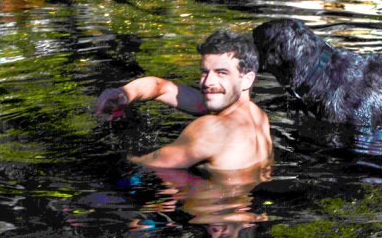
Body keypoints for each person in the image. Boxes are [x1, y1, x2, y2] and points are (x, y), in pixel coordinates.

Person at [95, 30, 272, 170]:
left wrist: (114, 148)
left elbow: (140, 164)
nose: (208, 82)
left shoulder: (212, 129)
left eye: (222, 73)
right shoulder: (258, 116)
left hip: (206, 214)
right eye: (205, 71)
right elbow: (163, 87)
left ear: (247, 79)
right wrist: (125, 93)